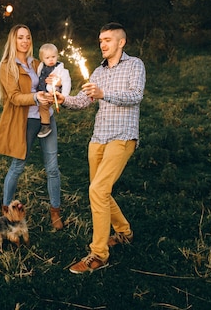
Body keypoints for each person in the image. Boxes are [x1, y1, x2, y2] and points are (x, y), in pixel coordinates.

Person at [55, 22, 146, 274]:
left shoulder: (134, 65)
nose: (102, 44)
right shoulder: (98, 71)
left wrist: (104, 92)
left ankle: (99, 254)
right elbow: (85, 100)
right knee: (100, 191)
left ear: (121, 42)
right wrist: (65, 100)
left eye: (107, 39)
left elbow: (135, 95)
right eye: (100, 40)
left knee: (97, 189)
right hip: (98, 138)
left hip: (122, 136)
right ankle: (125, 233)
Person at [0, 24, 64, 230]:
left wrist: (57, 85)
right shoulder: (7, 65)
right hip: (25, 121)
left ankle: (55, 211)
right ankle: (7, 211)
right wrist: (35, 97)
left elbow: (57, 77)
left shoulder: (37, 63)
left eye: (28, 37)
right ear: (13, 40)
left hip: (46, 117)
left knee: (52, 168)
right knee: (18, 166)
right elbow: (13, 97)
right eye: (20, 37)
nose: (25, 41)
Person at [36, 43, 72, 138]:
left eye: (53, 57)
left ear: (57, 56)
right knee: (40, 105)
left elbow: (67, 82)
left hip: (52, 93)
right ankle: (41, 123)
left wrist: (64, 96)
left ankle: (46, 126)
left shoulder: (61, 70)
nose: (51, 60)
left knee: (43, 106)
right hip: (42, 91)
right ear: (42, 59)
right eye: (47, 58)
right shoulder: (41, 67)